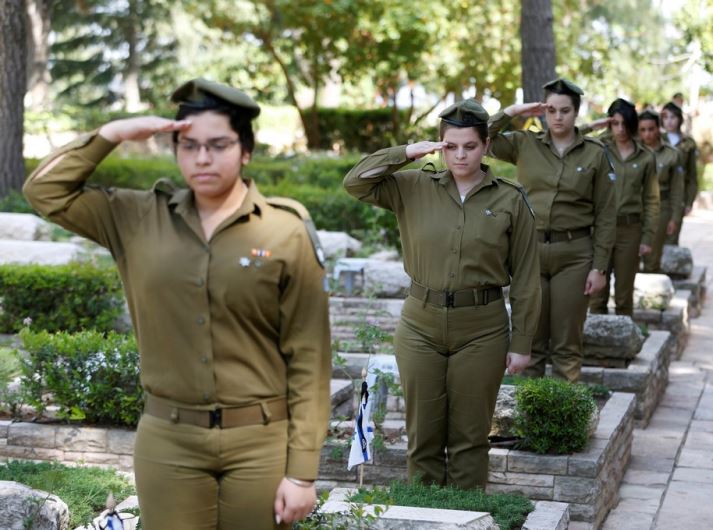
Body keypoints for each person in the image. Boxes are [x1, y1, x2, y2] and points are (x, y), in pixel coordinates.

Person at [23, 78, 331, 530]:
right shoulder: (136, 217)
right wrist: (112, 133)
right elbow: (45, 192)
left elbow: (309, 357)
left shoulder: (284, 230)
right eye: (188, 146)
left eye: (218, 145)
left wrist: (302, 472)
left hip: (260, 442)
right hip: (169, 440)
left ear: (245, 151)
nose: (202, 158)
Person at [343, 99, 541, 489]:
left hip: (482, 328)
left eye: (470, 145)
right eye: (451, 146)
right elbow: (356, 182)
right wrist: (405, 153)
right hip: (420, 324)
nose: (461, 154)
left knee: (470, 438)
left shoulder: (510, 199)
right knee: (423, 438)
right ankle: (425, 513)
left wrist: (522, 342)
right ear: (439, 145)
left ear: (486, 145)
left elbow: (527, 277)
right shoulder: (414, 186)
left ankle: (467, 515)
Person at [487, 78, 616, 382]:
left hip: (574, 254)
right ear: (543, 111)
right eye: (552, 110)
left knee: (566, 345)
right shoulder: (524, 144)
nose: (558, 117)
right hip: (529, 253)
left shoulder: (595, 153)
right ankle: (531, 418)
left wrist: (600, 268)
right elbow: (481, 136)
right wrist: (513, 110)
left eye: (565, 111)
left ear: (576, 113)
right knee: (528, 343)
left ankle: (562, 423)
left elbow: (607, 215)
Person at [581, 99, 659, 316]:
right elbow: (572, 139)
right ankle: (597, 347)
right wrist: (594, 125)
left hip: (629, 230)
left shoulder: (645, 156)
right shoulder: (599, 148)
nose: (620, 130)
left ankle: (624, 345)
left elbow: (652, 200)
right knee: (596, 292)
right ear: (609, 123)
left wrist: (647, 237)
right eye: (615, 123)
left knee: (624, 294)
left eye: (625, 124)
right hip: (600, 229)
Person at [637, 110, 685, 272]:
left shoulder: (672, 154)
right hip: (635, 209)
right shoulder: (632, 151)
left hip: (660, 210)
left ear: (659, 128)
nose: (647, 134)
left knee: (652, 258)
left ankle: (651, 296)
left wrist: (675, 218)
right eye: (642, 130)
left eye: (651, 129)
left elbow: (677, 190)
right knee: (630, 260)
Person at [661, 101, 699, 245]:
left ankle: (670, 266)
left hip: (678, 196)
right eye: (666, 117)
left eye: (673, 117)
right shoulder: (656, 139)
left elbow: (692, 175)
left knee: (672, 235)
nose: (669, 121)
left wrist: (689, 201)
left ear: (679, 119)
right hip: (657, 195)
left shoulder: (688, 143)